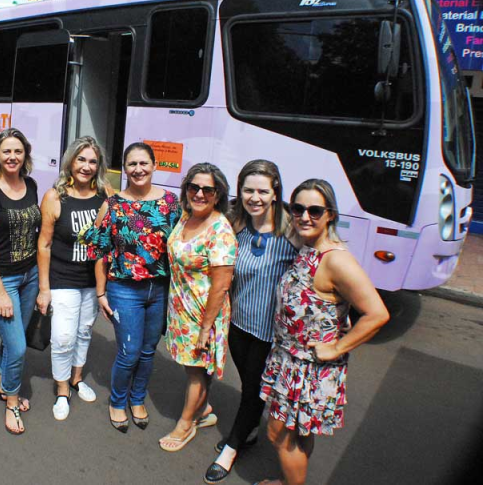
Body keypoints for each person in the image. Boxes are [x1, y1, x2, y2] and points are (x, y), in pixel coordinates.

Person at [253, 179, 390, 485]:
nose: (304, 216)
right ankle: (289, 480)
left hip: (308, 369)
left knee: (278, 434)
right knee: (298, 433)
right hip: (289, 361)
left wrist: (337, 347)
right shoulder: (309, 247)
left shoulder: (335, 260)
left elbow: (378, 314)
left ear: (330, 214)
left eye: (315, 210)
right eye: (298, 208)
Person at [205, 160, 299, 482]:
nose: (255, 197)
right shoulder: (236, 224)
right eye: (248, 190)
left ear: (275, 192)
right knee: (250, 385)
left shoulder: (292, 231)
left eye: (262, 190)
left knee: (254, 390)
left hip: (270, 333)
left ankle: (231, 447)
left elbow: (323, 262)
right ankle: (248, 433)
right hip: (238, 325)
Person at [82, 142, 181, 433]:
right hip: (124, 289)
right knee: (129, 351)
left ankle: (137, 399)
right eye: (132, 164)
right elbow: (99, 251)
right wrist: (101, 293)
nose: (138, 169)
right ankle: (117, 401)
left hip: (159, 289)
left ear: (154, 166)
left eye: (143, 163)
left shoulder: (170, 203)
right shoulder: (112, 205)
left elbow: (179, 247)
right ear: (124, 169)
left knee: (149, 351)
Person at [160, 163, 236, 452]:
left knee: (196, 370)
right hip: (181, 307)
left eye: (208, 189)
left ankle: (185, 424)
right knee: (193, 366)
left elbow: (221, 285)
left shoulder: (220, 230)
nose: (200, 193)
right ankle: (203, 411)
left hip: (204, 312)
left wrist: (206, 327)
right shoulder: (186, 217)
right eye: (194, 187)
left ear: (218, 195)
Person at [37, 136, 111, 421]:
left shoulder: (104, 194)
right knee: (63, 336)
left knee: (84, 332)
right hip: (62, 278)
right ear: (70, 161)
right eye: (81, 159)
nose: (87, 166)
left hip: (92, 280)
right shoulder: (55, 197)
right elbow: (43, 244)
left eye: (92, 161)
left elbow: (107, 239)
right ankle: (62, 389)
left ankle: (77, 378)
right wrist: (44, 288)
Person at [0, 128, 42, 435]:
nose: (12, 157)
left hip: (30, 276)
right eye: (6, 151)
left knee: (15, 338)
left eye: (18, 151)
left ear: (25, 154)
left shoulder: (31, 185)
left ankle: (5, 382)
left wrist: (42, 283)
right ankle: (12, 401)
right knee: (17, 346)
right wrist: (0, 292)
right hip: (3, 281)